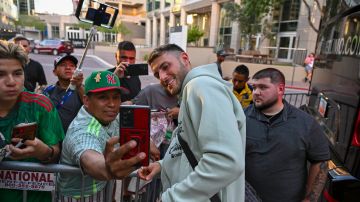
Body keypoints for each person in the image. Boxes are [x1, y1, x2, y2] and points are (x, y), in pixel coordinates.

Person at [139, 44, 246, 201]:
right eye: (157, 74)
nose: (162, 77)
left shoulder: (201, 86)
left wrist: (172, 198)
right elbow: (189, 147)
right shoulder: (191, 91)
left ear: (184, 59)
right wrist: (163, 165)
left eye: (165, 66)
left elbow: (225, 162)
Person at [58, 70, 146, 201]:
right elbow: (91, 158)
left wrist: (148, 140)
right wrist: (108, 169)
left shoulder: (111, 116)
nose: (112, 104)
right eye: (103, 97)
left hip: (101, 192)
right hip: (78, 197)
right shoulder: (81, 131)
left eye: (116, 97)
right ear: (86, 101)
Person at [245, 68, 329, 202]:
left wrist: (309, 199)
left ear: (280, 89)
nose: (256, 92)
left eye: (263, 87)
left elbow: (320, 161)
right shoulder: (241, 119)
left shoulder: (305, 123)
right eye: (254, 87)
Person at [0, 40, 64, 202]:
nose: (11, 82)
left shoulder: (41, 105)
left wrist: (43, 151)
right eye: (0, 75)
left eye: (17, 73)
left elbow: (56, 153)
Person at [43, 54, 84, 133]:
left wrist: (79, 86)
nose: (68, 68)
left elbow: (92, 108)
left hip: (75, 139)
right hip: (52, 140)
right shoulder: (47, 91)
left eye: (72, 65)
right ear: (54, 72)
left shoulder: (82, 90)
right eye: (63, 65)